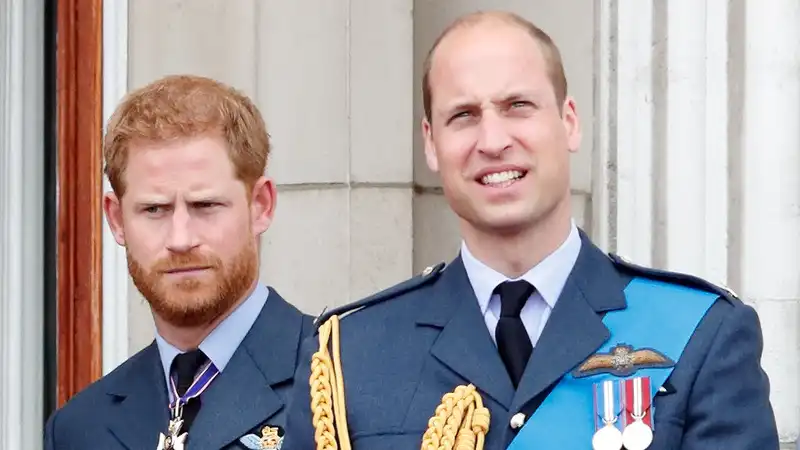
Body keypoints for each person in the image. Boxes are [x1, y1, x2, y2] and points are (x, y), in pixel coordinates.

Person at [281, 10, 779, 450]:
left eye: (518, 105)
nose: (493, 140)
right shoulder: (350, 355)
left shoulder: (701, 335)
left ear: (569, 122)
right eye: (464, 115)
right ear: (431, 144)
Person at [44, 75, 314, 449]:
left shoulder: (339, 385)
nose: (180, 239)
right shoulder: (80, 428)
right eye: (154, 209)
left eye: (205, 206)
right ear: (117, 220)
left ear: (261, 206)